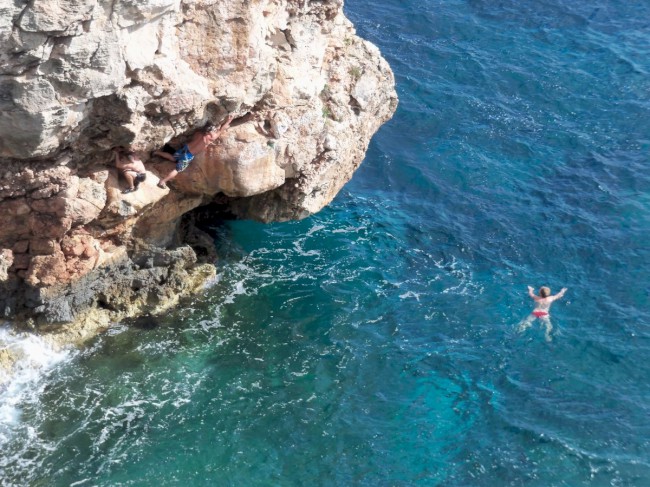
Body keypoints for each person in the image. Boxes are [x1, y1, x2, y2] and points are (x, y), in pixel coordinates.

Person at [153, 114, 235, 189]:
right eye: (213, 131)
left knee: (174, 158)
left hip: (185, 148)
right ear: (211, 132)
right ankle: (163, 181)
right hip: (188, 155)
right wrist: (228, 121)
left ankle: (156, 152)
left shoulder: (199, 133)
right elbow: (221, 130)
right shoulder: (211, 138)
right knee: (177, 169)